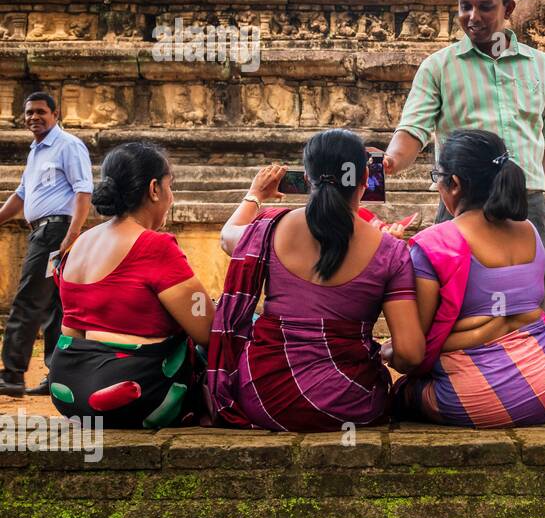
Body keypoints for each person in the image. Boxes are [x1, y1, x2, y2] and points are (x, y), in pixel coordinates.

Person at [208, 130, 425, 431]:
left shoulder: (268, 229)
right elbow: (411, 354)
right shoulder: (391, 252)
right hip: (350, 401)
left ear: (307, 179)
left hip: (264, 394)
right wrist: (384, 351)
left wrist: (255, 195)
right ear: (365, 177)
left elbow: (227, 237)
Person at [384, 0, 545, 316]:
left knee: (531, 308)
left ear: (508, 8)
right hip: (459, 201)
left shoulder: (543, 67)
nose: (473, 16)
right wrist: (390, 160)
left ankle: (532, 367)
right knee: (448, 306)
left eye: (485, 6)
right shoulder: (438, 67)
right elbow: (413, 132)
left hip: (525, 202)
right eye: (465, 6)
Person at [391, 129, 545, 427]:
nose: (437, 188)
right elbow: (513, 315)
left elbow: (414, 352)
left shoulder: (435, 243)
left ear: (455, 184)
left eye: (438, 178)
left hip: (475, 398)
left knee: (399, 393)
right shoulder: (530, 233)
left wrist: (393, 353)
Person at [49, 143, 211, 427]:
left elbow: (73, 328)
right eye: (169, 185)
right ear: (154, 189)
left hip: (68, 384)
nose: (170, 196)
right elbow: (207, 331)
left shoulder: (80, 244)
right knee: (219, 342)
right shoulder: (154, 246)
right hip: (139, 381)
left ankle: (98, 392)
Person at [1, 94, 93, 397]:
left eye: (40, 112)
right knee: (55, 306)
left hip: (55, 232)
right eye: (28, 113)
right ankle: (57, 378)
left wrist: (72, 235)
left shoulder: (67, 145)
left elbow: (83, 190)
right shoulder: (36, 152)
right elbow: (21, 196)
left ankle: (12, 375)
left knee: (28, 301)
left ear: (56, 113)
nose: (33, 118)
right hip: (44, 232)